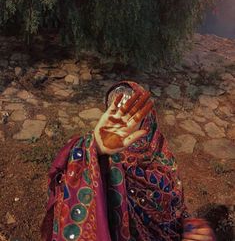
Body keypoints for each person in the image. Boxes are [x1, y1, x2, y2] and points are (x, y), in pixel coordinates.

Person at [41, 81, 215, 241]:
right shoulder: (105, 162)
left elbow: (176, 206)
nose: (128, 124)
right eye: (116, 111)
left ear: (148, 118)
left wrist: (188, 226)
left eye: (133, 115)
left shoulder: (162, 154)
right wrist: (97, 148)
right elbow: (68, 186)